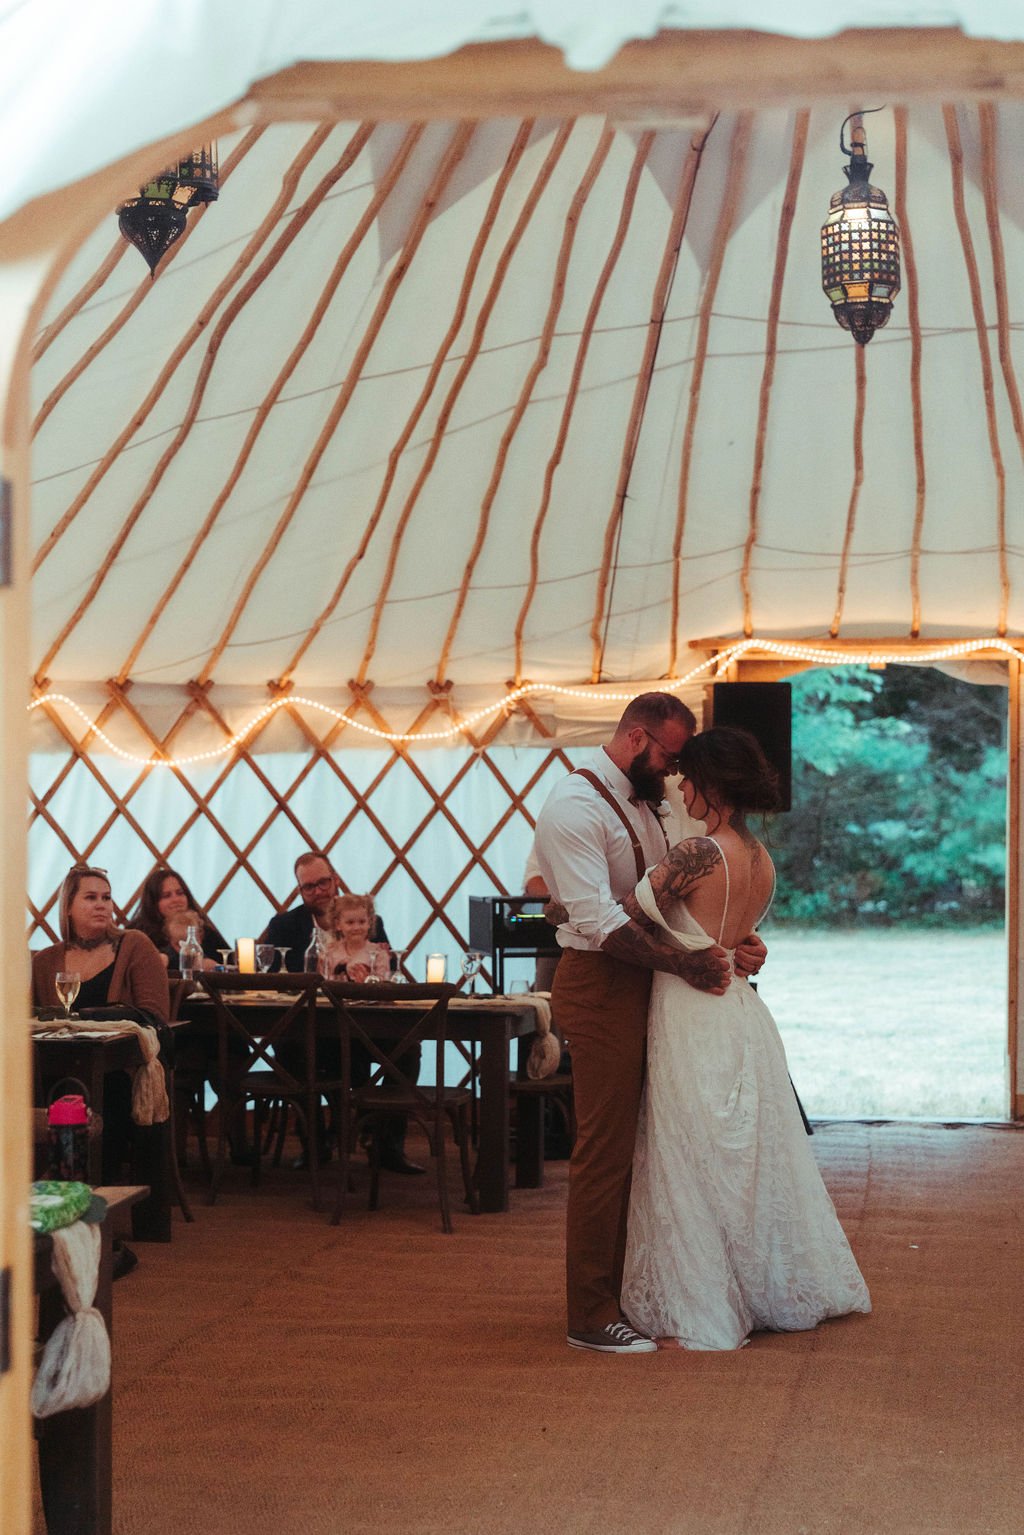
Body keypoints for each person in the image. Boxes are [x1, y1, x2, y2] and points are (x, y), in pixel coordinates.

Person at [620, 727, 871, 1348]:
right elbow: (731, 933)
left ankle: (706, 1297)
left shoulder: (700, 853)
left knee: (690, 1148)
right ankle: (761, 1285)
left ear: (712, 784)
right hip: (737, 1007)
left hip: (690, 1007)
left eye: (689, 776)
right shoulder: (759, 857)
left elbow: (632, 910)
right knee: (741, 1153)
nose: (679, 784)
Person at [534, 692, 767, 1354]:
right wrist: (689, 964)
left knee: (649, 1145)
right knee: (605, 1149)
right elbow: (603, 925)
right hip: (604, 984)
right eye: (668, 754)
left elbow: (664, 905)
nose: (674, 769)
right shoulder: (575, 806)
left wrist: (722, 946)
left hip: (650, 978)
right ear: (637, 739)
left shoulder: (647, 803)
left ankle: (631, 1288)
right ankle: (589, 1313)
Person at [32, 863, 170, 1276]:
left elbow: (154, 1017)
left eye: (106, 897)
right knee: (41, 1093)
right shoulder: (46, 960)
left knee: (96, 1095)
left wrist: (92, 1016)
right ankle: (52, 1226)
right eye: (90, 897)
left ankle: (96, 1234)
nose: (101, 905)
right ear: (68, 907)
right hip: (55, 1067)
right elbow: (32, 1017)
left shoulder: (134, 946)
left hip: (122, 1070)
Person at [259, 851, 388, 971]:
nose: (318, 891)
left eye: (323, 882)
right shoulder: (283, 926)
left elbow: (389, 973)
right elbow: (272, 978)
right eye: (309, 887)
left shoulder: (368, 922)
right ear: (300, 891)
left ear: (336, 880)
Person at [128, 866, 228, 970]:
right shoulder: (139, 935)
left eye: (180, 893)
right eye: (166, 896)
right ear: (153, 902)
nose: (176, 900)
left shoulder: (203, 931)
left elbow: (230, 967)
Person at [323, 893, 390, 981]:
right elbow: (324, 982)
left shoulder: (379, 954)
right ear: (338, 924)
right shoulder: (330, 953)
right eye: (350, 922)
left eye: (362, 922)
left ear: (369, 923)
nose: (356, 928)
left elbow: (384, 986)